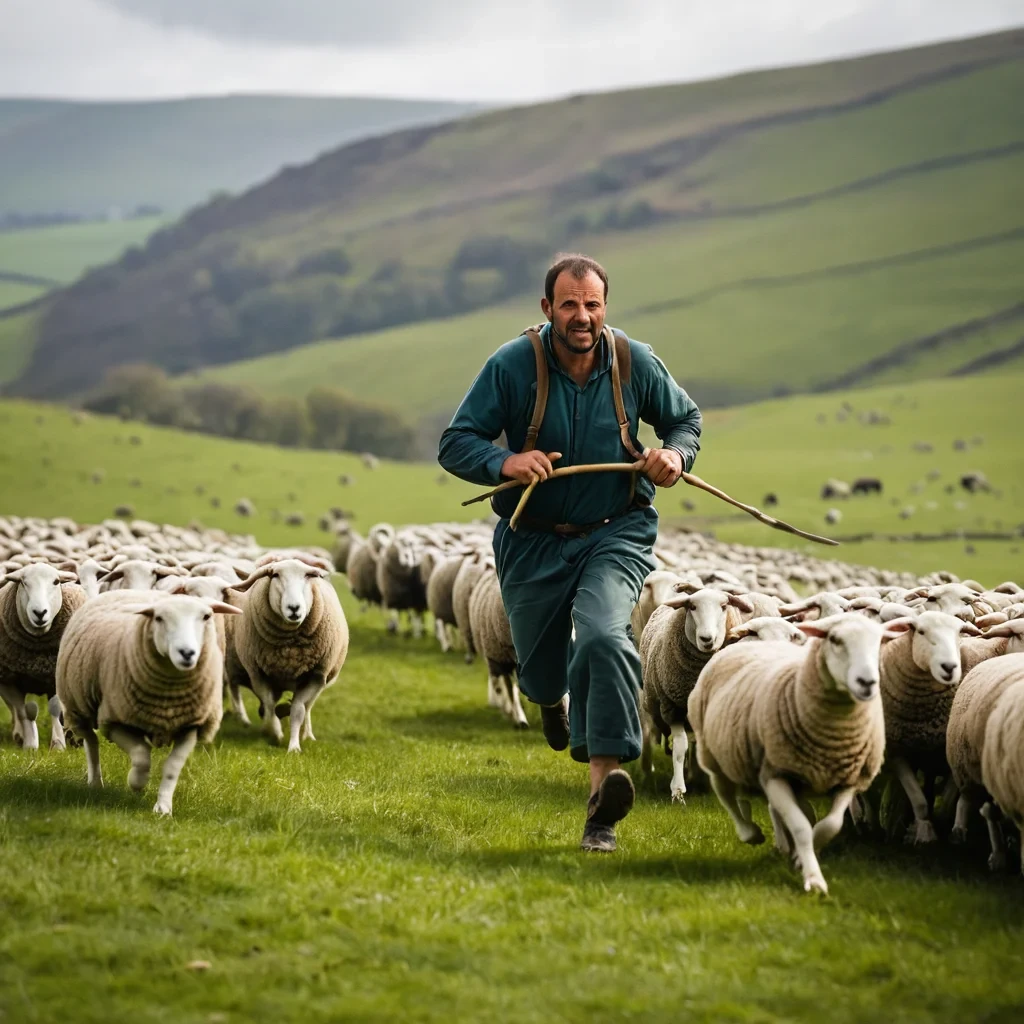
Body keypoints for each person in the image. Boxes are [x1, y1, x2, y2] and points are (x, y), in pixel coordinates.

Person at [438, 253, 702, 852]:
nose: (582, 317)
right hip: (532, 538)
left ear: (605, 307)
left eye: (592, 305)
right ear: (547, 308)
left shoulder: (634, 362)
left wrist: (675, 456)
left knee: (605, 637)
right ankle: (550, 697)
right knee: (539, 671)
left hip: (615, 531)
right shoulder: (512, 365)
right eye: (569, 305)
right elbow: (455, 443)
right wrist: (505, 462)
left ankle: (601, 805)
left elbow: (685, 421)